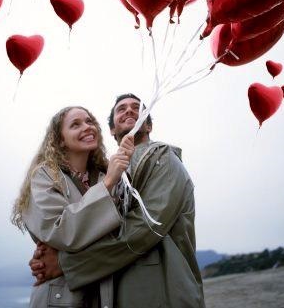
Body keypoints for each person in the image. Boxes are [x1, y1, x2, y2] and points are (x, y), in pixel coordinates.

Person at [30, 94, 206, 308]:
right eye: (121, 109)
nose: (130, 110)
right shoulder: (111, 177)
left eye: (137, 108)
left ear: (148, 125)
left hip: (164, 292)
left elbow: (146, 227)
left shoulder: (164, 160)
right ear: (112, 130)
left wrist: (65, 264)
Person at [11, 105, 134, 307]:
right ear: (60, 139)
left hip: (106, 293)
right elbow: (62, 231)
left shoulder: (107, 174)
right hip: (60, 296)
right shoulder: (45, 176)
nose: (87, 127)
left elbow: (123, 235)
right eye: (75, 125)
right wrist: (108, 184)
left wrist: (62, 259)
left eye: (89, 121)